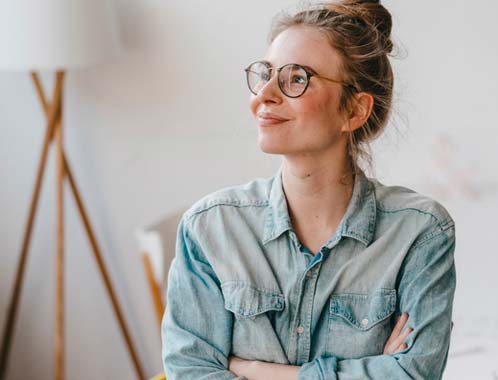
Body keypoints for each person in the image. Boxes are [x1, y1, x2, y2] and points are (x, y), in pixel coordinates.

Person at [161, 1, 457, 379]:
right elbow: (190, 372)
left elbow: (414, 375)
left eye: (296, 78)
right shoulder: (209, 228)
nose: (264, 95)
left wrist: (254, 370)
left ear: (354, 110)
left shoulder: (420, 232)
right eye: (265, 74)